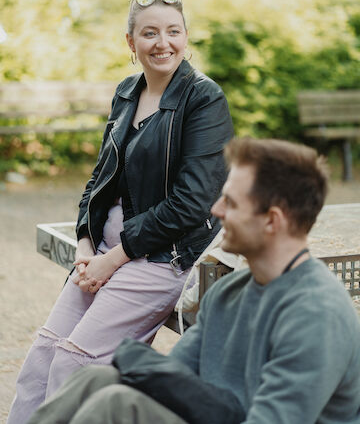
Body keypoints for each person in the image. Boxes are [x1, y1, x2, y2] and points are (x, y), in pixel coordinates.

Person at [7, 0, 233, 423]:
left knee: (76, 363)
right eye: (149, 33)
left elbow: (191, 203)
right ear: (131, 42)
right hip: (103, 254)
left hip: (161, 258)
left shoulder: (203, 99)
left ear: (186, 38)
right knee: (42, 356)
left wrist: (114, 257)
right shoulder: (127, 92)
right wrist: (85, 242)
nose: (162, 43)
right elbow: (100, 178)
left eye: (173, 32)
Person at [27, 137, 360, 424]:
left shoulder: (317, 314)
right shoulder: (228, 292)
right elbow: (171, 380)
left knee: (117, 403)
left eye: (230, 202)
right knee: (96, 379)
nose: (214, 210)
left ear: (272, 220)